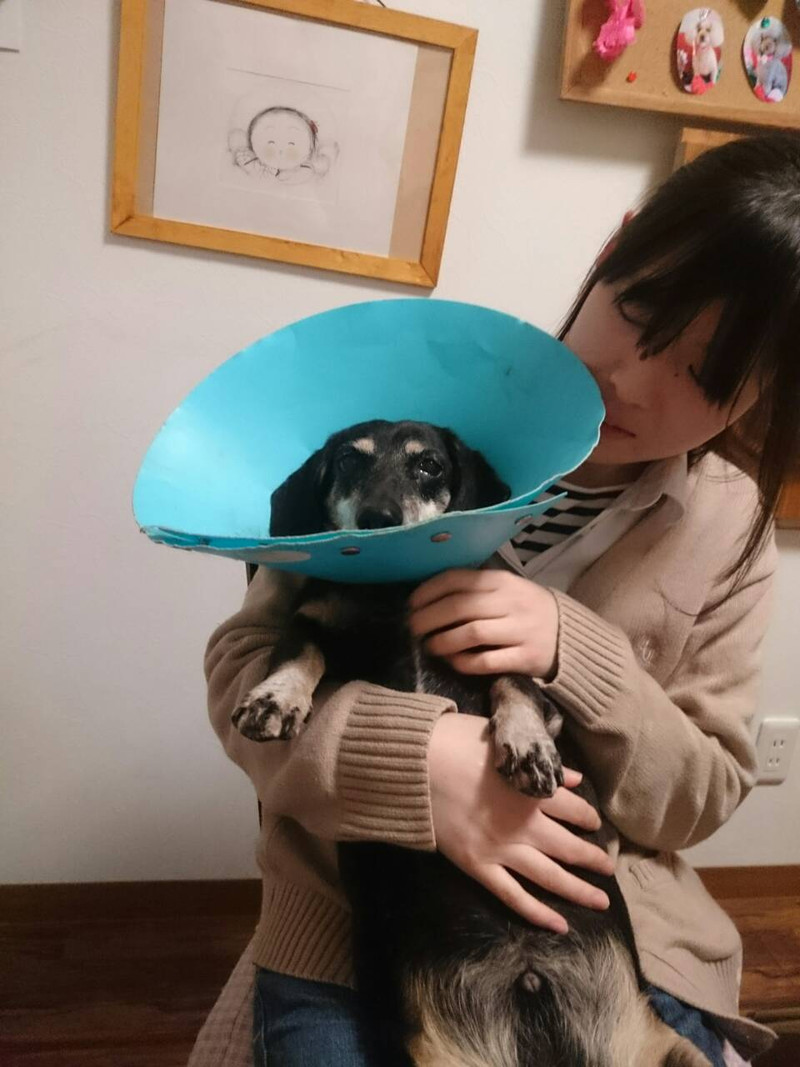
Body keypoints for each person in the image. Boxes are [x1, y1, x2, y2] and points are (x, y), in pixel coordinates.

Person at [191, 131, 800, 1067]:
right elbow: (243, 673)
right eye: (638, 309)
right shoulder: (414, 432)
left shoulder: (729, 528)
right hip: (363, 917)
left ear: (763, 394)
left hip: (616, 930)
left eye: (707, 372)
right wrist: (415, 763)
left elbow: (702, 794)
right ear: (612, 248)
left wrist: (576, 652)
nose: (633, 381)